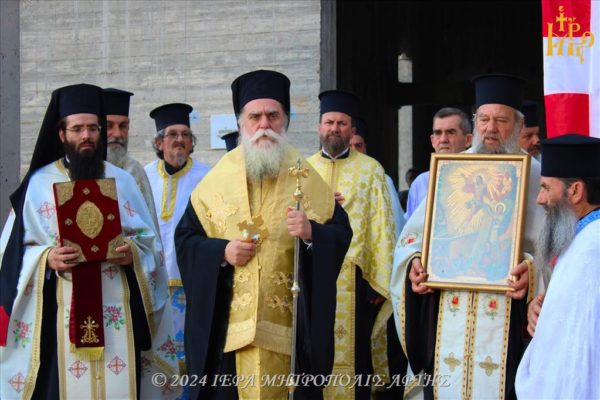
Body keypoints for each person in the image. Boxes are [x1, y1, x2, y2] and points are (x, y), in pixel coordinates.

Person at [175, 70, 352, 400]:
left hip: (289, 333)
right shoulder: (217, 179)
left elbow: (341, 233)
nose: (264, 125)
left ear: (286, 120)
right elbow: (186, 240)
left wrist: (312, 233)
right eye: (254, 117)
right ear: (241, 122)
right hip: (230, 335)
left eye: (273, 115)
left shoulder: (304, 175)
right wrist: (222, 252)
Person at [0, 84, 178, 399]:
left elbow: (152, 247)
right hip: (59, 320)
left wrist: (133, 254)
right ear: (61, 134)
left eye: (93, 128)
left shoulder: (123, 182)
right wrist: (46, 259)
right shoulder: (38, 185)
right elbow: (11, 256)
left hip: (117, 316)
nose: (87, 136)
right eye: (78, 128)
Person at [390, 74, 545, 399]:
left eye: (501, 120)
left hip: (507, 318)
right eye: (484, 119)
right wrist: (415, 264)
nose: (491, 128)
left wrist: (532, 273)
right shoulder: (451, 171)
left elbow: (556, 251)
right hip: (450, 313)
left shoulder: (537, 178)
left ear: (519, 125)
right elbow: (411, 240)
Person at [307, 90, 399, 399]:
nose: (334, 128)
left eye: (342, 123)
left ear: (352, 129)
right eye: (329, 122)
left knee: (357, 359)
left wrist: (378, 279)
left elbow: (382, 225)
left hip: (357, 280)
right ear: (319, 127)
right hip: (312, 276)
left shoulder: (371, 170)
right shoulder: (302, 169)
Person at [515, 134, 600, 399]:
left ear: (575, 191)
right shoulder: (581, 237)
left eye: (546, 188)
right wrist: (542, 306)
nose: (539, 199)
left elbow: (581, 352)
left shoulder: (592, 249)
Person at [144, 102, 210, 371]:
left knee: (191, 355)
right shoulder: (143, 177)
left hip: (192, 282)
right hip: (153, 280)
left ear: (192, 142)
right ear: (159, 143)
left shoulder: (208, 177)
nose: (179, 140)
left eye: (185, 135)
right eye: (172, 134)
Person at [103, 87, 158, 228]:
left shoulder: (134, 170)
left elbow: (150, 229)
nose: (117, 134)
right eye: (108, 126)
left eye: (123, 126)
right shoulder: (82, 170)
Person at [404, 107, 473, 220]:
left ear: (468, 140)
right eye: (438, 133)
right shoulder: (420, 183)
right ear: (432, 140)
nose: (443, 139)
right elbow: (410, 227)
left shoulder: (479, 178)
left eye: (450, 132)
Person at [349, 116, 405, 238]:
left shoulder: (382, 179)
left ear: (365, 148)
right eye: (349, 146)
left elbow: (395, 220)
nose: (354, 150)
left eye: (358, 145)